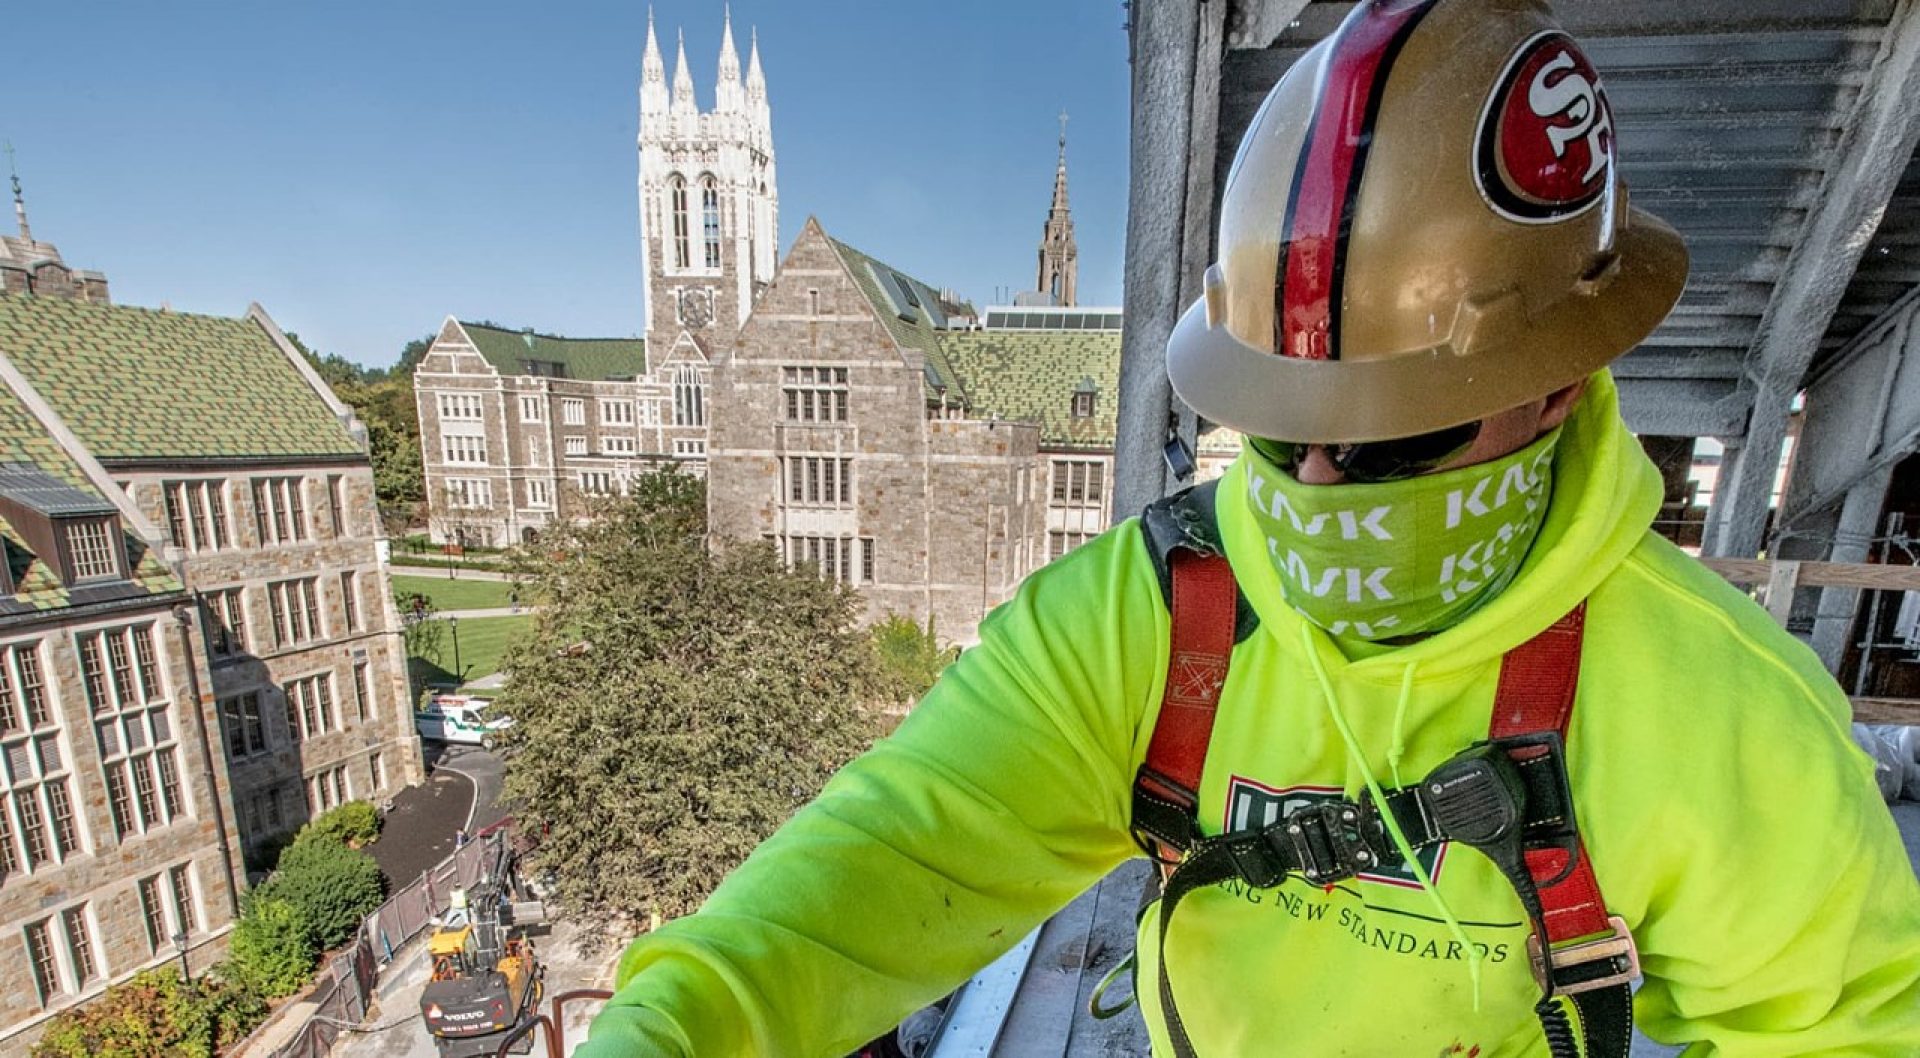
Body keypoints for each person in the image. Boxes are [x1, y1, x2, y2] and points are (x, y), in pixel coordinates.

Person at [579, 1, 1920, 1054]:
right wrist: (670, 1023)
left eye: (1397, 435)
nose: (1324, 485)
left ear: (1556, 380)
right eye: (1281, 426)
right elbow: (886, 859)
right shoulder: (1158, 622)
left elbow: (1846, 1028)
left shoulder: (1720, 724)